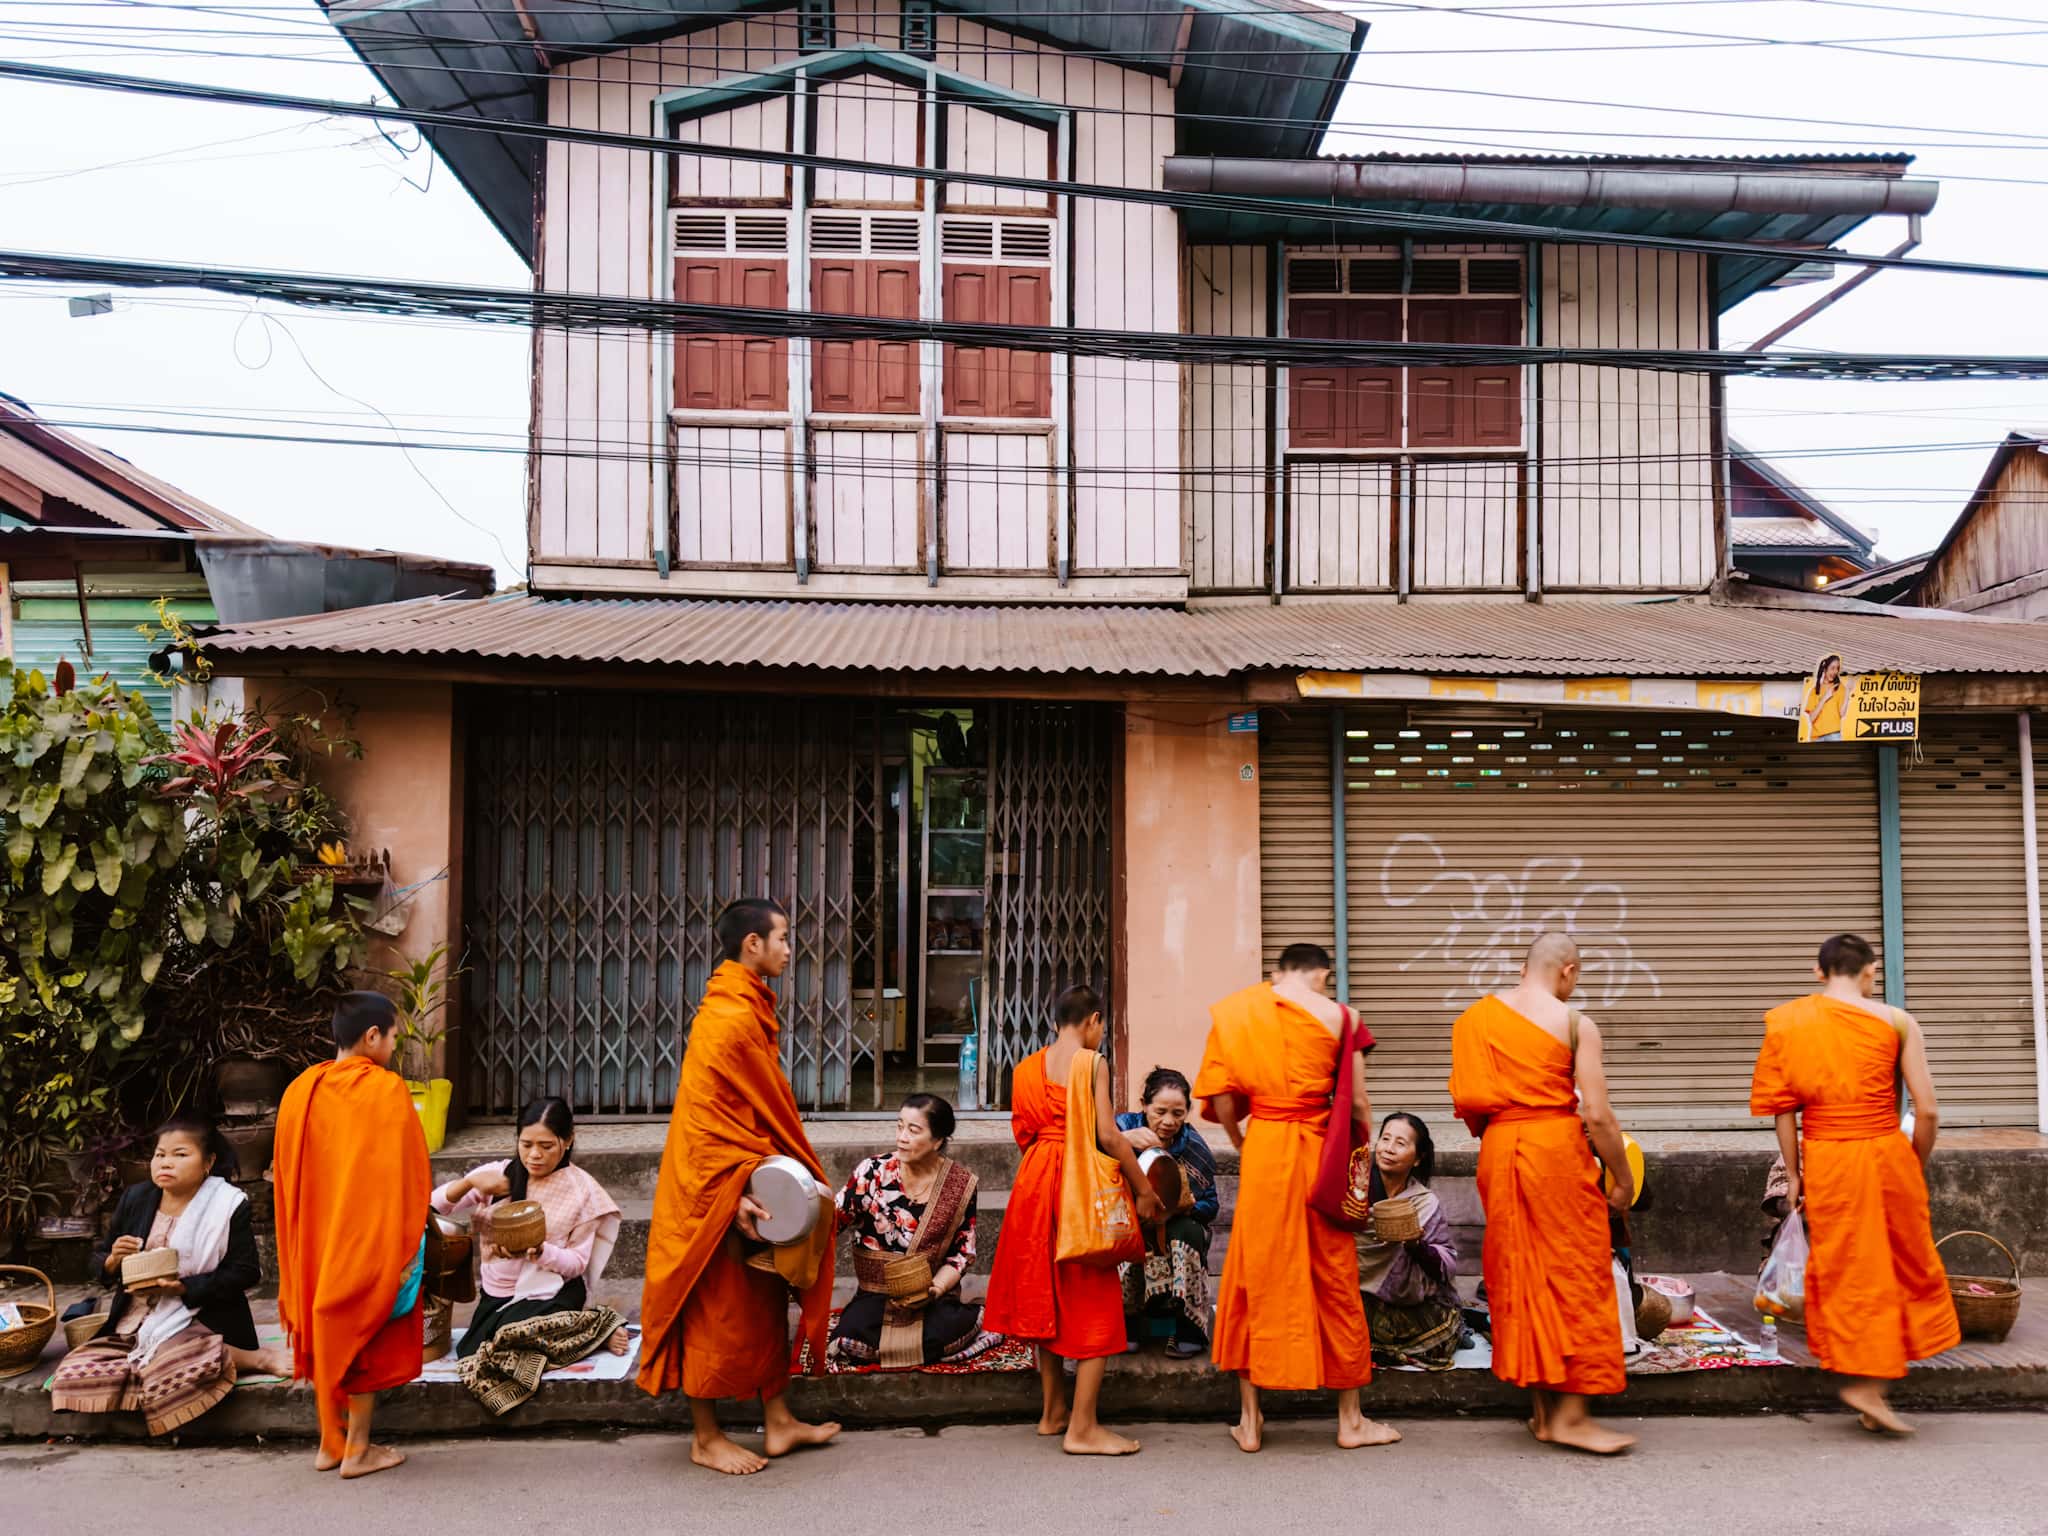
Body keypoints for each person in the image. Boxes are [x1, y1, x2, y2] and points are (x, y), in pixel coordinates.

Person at [637, 898, 842, 1476]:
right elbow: (706, 1127)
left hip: (746, 1174)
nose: (787, 949)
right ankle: (706, 1436)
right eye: (781, 938)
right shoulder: (728, 1018)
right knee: (715, 1311)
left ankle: (777, 1422)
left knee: (761, 1301)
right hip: (714, 1188)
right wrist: (734, 1190)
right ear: (752, 944)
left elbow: (750, 1109)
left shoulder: (744, 1006)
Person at [1750, 932, 1960, 1436]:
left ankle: (1867, 1380)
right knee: (1896, 1262)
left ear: (1818, 971)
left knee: (1847, 1266)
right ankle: (1868, 1384)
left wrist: (1795, 1173)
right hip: (1886, 1151)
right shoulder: (1896, 1021)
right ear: (1870, 972)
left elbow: (1783, 1110)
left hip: (1827, 1157)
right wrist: (1913, 1160)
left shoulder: (1788, 1022)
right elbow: (1927, 1109)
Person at [1195, 943, 1399, 1454]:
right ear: (1322, 974)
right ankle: (1351, 1419)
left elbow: (1221, 1100)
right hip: (1319, 1151)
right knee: (1334, 1275)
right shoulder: (1342, 1017)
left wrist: (1244, 1142)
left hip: (1265, 1147)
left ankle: (1250, 1420)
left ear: (1276, 973)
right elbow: (1358, 1103)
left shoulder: (1238, 1010)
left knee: (1254, 1272)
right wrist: (1357, 1167)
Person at [1448, 933, 1636, 1456]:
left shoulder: (1473, 1020)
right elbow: (1597, 1115)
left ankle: (1541, 1410)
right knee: (1577, 1272)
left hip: (1501, 1149)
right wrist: (1620, 1179)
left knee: (1520, 1271)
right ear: (1568, 971)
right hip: (1553, 1150)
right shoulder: (1575, 1023)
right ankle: (1572, 1415)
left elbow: (1470, 1101)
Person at [984, 983, 1163, 1456]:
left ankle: (1052, 1412)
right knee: (1095, 1300)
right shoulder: (1092, 1062)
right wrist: (1143, 1190)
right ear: (1093, 1021)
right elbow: (1109, 1134)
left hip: (1034, 1184)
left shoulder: (1024, 1068)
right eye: (1101, 1027)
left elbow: (1023, 1131)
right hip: (1076, 1187)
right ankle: (1082, 1428)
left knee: (1048, 1295)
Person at [50, 1115, 292, 1435]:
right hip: (138, 1323)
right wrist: (111, 1260)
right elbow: (98, 1262)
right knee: (74, 1372)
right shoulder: (136, 1198)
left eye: (180, 1154)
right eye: (160, 1154)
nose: (166, 1162)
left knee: (179, 1363)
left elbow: (246, 1272)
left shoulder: (227, 1205)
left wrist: (184, 1288)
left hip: (200, 1317)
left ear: (208, 1163)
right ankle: (165, 1361)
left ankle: (256, 1359)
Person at [274, 990, 431, 1480]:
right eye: (393, 1038)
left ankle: (329, 1443)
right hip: (364, 1234)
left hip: (314, 1239)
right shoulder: (384, 1089)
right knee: (366, 1331)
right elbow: (406, 1171)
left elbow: (283, 1177)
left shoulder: (301, 1089)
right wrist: (406, 1239)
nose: (394, 1047)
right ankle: (358, 1449)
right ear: (371, 1037)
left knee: (327, 1328)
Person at [432, 1096, 627, 1359]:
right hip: (499, 1297)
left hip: (550, 1293)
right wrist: (469, 1183)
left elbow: (577, 1264)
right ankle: (585, 1332)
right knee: (478, 1350)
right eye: (526, 1144)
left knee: (516, 1339)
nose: (535, 1155)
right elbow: (433, 1207)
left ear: (568, 1140)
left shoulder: (585, 1192)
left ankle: (597, 1328)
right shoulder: (501, 1175)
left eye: (546, 1146)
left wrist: (538, 1251)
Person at [831, 1093, 1000, 1368]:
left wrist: (933, 1290)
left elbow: (962, 1254)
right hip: (876, 1294)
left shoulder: (959, 1185)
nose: (902, 1137)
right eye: (899, 1126)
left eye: (913, 1130)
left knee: (940, 1333)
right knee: (851, 1342)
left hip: (929, 1298)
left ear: (938, 1140)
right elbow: (834, 1220)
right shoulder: (872, 1172)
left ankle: (971, 1317)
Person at [1117, 1066, 1219, 1359]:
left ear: (1188, 1112)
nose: (1168, 1121)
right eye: (1160, 1111)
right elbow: (1087, 1152)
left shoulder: (1194, 1148)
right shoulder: (1121, 1129)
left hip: (1175, 1226)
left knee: (1185, 1233)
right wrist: (1124, 1142)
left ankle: (1188, 1328)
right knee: (1127, 1233)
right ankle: (1127, 1324)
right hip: (1128, 1219)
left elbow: (1211, 1206)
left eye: (1178, 1113)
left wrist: (1178, 1208)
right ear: (1144, 1105)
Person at [1356, 1112, 1464, 1371]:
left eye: (1400, 1143)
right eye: (1385, 1139)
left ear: (1417, 1158)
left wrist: (1417, 1246)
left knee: (1442, 1333)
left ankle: (1376, 1348)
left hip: (1406, 1303)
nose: (1388, 1149)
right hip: (1355, 1295)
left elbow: (1445, 1264)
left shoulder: (1424, 1202)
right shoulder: (1353, 1193)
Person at [1803, 654, 1846, 743]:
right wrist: (1825, 698)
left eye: (1837, 668)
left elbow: (1842, 713)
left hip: (1834, 735)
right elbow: (1811, 718)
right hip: (1816, 737)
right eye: (1832, 668)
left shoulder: (1839, 688)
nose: (1835, 671)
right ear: (1825, 669)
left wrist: (1848, 692)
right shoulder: (1814, 691)